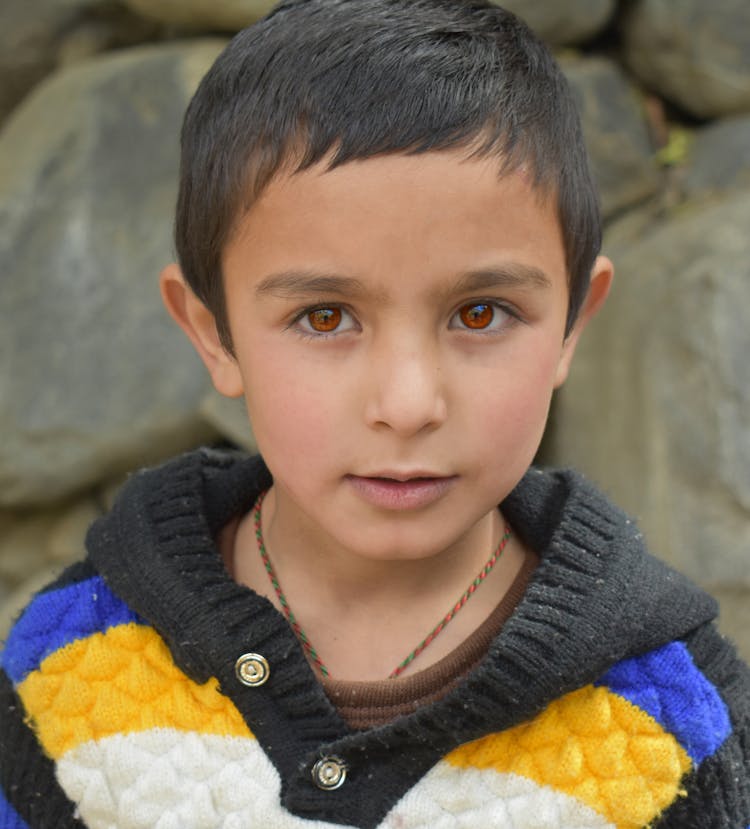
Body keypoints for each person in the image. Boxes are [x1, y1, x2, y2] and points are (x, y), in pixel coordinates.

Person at [2, 1, 749, 826]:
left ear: (573, 321)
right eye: (325, 317)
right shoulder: (70, 665)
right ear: (212, 333)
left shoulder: (674, 722)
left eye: (480, 313)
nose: (407, 404)